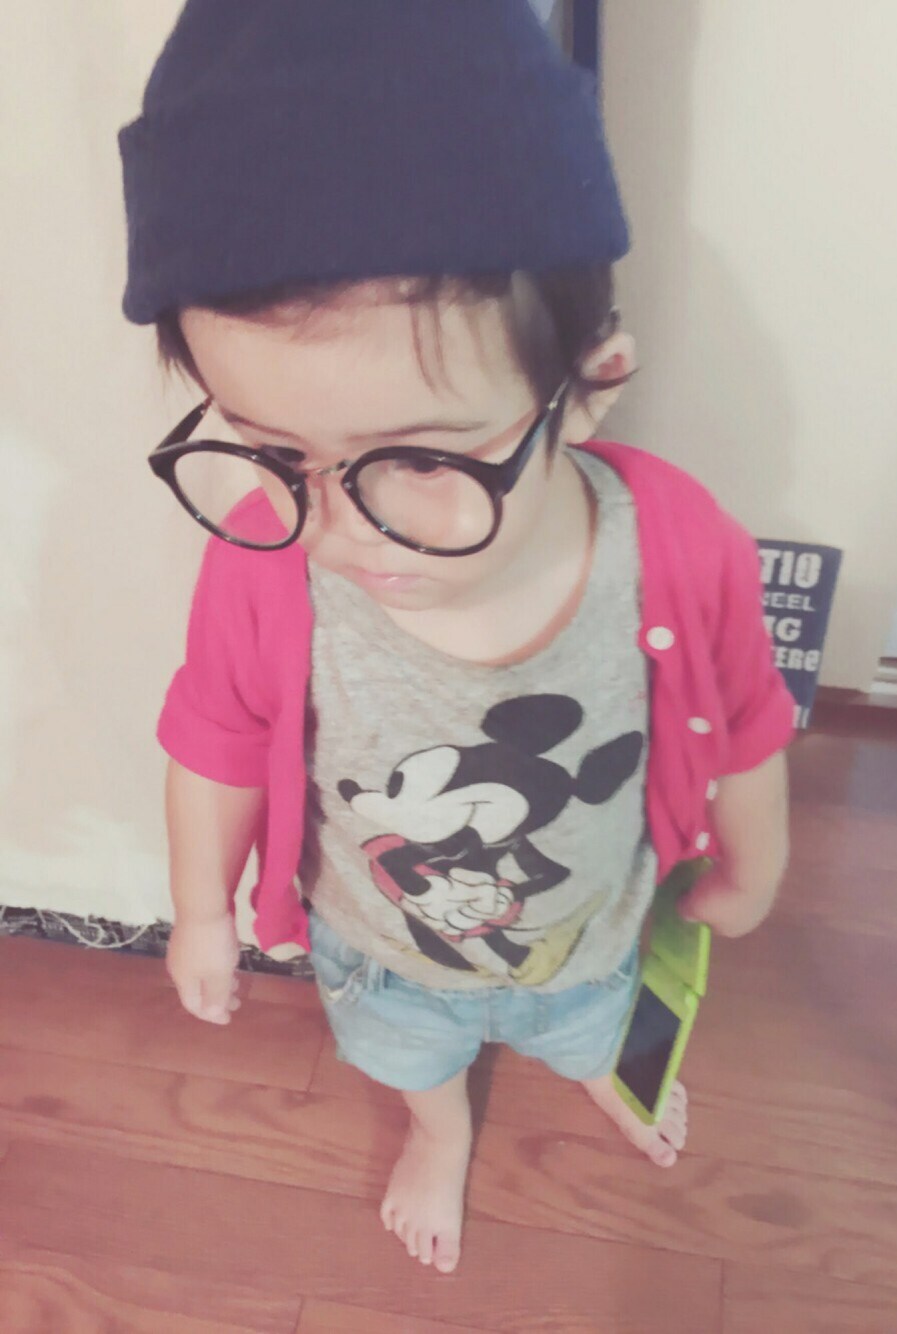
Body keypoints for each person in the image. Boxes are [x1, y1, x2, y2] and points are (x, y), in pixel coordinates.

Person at [119, 0, 795, 1276]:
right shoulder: (264, 562)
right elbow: (215, 733)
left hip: (596, 926)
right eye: (279, 456)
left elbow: (746, 712)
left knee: (599, 1027)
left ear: (587, 387)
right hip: (380, 954)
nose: (339, 528)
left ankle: (601, 1067)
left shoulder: (677, 541)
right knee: (409, 1060)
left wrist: (752, 863)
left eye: (422, 458)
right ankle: (439, 1133)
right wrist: (201, 908)